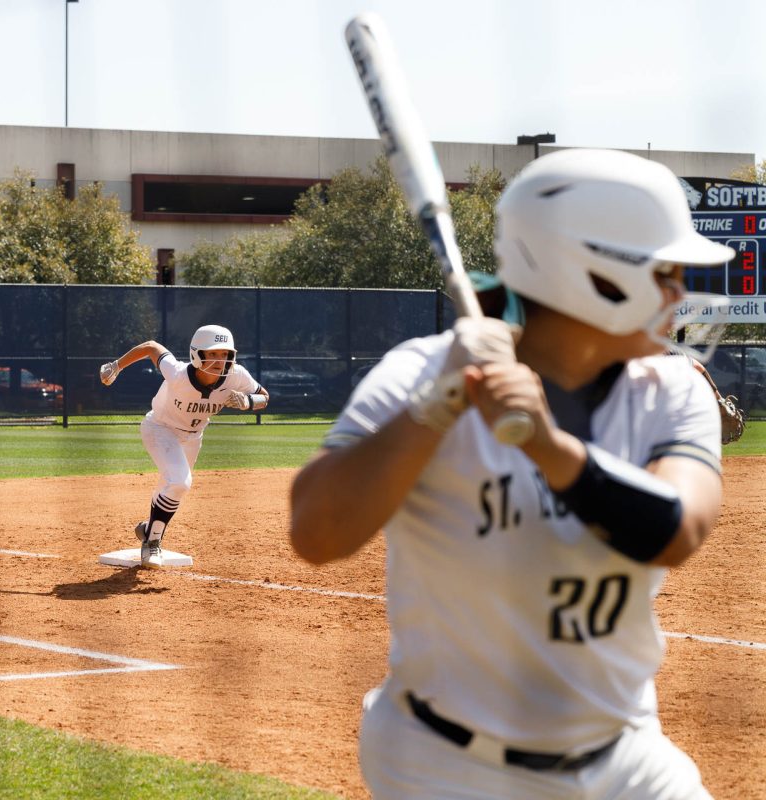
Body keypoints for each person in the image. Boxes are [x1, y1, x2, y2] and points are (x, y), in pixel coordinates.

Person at [289, 149, 730, 799]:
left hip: (628, 756)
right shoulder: (423, 372)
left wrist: (549, 447)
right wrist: (433, 409)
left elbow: (677, 530)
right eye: (665, 272)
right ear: (595, 274)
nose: (678, 294)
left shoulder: (671, 389)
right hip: (448, 765)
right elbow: (316, 533)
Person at [100, 324, 268, 567]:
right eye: (212, 354)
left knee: (172, 486)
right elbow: (151, 347)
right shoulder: (178, 373)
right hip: (160, 428)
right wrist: (116, 366)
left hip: (193, 437)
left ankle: (149, 528)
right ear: (196, 354)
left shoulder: (237, 375)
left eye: (224, 354)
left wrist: (249, 401)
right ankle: (152, 544)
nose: (220, 361)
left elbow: (265, 397)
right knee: (180, 481)